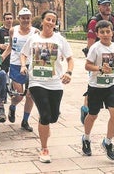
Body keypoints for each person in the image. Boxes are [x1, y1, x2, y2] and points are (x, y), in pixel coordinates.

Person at [20, 10, 74, 163]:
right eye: (48, 19)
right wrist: (23, 66)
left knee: (53, 117)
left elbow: (70, 58)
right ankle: (44, 149)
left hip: (55, 83)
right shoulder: (33, 38)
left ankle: (45, 125)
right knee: (44, 114)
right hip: (37, 81)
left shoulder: (60, 40)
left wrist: (69, 72)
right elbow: (23, 54)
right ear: (42, 21)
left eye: (53, 20)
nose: (51, 22)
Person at [80, 0, 114, 136]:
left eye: (109, 5)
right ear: (99, 7)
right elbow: (90, 43)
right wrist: (95, 60)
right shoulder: (94, 21)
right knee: (96, 85)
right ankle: (85, 108)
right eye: (104, 5)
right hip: (97, 60)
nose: (107, 7)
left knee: (113, 84)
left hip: (110, 59)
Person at [81, 20, 114, 161]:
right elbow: (87, 66)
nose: (105, 34)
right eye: (102, 32)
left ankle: (108, 142)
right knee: (93, 115)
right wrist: (99, 69)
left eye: (108, 31)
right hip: (96, 87)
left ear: (112, 32)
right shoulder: (95, 48)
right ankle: (86, 138)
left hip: (110, 86)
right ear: (98, 34)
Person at [2, 7, 39, 132]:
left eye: (28, 18)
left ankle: (25, 120)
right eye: (23, 18)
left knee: (31, 95)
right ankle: (13, 106)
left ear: (31, 18)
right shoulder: (13, 30)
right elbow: (10, 47)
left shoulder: (35, 32)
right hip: (16, 64)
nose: (25, 20)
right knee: (19, 95)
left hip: (30, 65)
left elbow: (40, 49)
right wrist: (1, 58)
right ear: (19, 19)